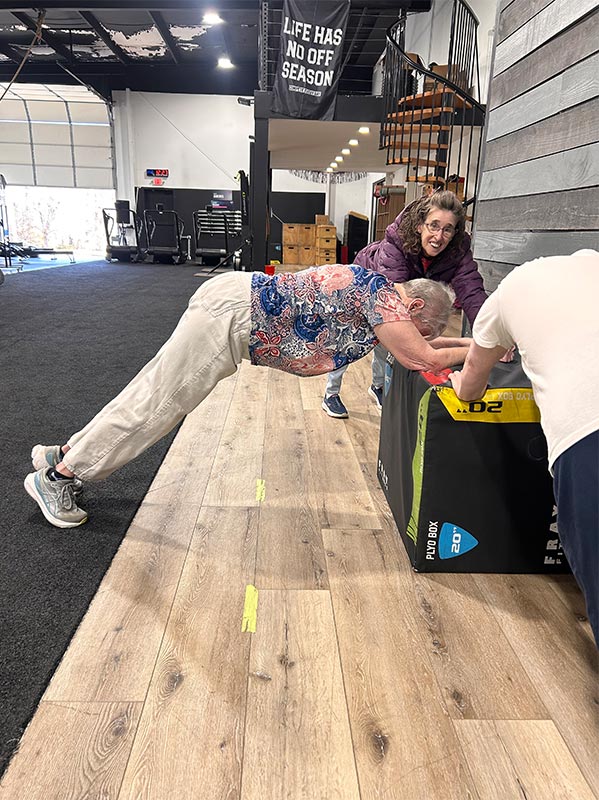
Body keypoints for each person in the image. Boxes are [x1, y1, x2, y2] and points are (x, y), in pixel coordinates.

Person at [24, 263, 471, 529]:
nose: (425, 336)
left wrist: (474, 348)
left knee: (149, 391)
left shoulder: (376, 293)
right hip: (236, 317)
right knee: (158, 405)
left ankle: (60, 454)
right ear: (412, 308)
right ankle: (59, 477)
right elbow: (421, 357)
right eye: (427, 327)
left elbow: (424, 349)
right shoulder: (385, 300)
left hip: (235, 302)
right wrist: (483, 348)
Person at [449, 249, 599, 649]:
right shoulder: (591, 263)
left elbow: (471, 385)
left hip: (587, 432)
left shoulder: (503, 298)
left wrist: (453, 380)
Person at [322, 189, 488, 419]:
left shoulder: (457, 251)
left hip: (404, 294)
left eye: (447, 229)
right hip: (366, 288)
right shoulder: (396, 241)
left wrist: (490, 335)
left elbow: (472, 292)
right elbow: (394, 296)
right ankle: (331, 393)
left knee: (384, 346)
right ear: (420, 225)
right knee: (348, 340)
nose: (438, 236)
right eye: (433, 225)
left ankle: (377, 387)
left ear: (454, 232)